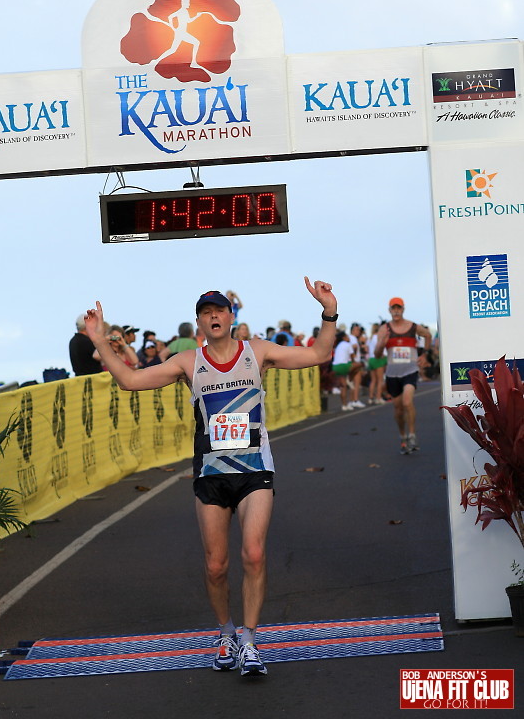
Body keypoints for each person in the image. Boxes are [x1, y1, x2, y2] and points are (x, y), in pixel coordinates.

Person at [84, 277, 338, 676]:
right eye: (205, 313)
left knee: (253, 554)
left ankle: (250, 641)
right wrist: (100, 341)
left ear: (232, 316)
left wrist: (328, 311)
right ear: (199, 324)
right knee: (216, 565)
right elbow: (130, 381)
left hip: (255, 470)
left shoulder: (258, 352)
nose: (213, 316)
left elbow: (321, 353)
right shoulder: (189, 363)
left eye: (219, 310)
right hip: (210, 474)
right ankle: (225, 633)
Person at [374, 298, 431, 454]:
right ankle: (403, 436)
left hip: (410, 371)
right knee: (398, 410)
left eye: (399, 308)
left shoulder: (412, 327)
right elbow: (377, 355)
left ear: (403, 309)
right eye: (394, 308)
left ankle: (412, 434)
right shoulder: (384, 329)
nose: (396, 311)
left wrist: (424, 354)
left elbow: (427, 335)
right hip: (392, 374)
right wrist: (382, 343)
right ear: (389, 310)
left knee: (407, 402)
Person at [367, 322, 386, 404]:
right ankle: (378, 397)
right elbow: (379, 347)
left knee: (373, 380)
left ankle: (370, 398)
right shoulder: (378, 337)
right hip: (377, 358)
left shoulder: (370, 338)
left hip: (371, 359)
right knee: (380, 380)